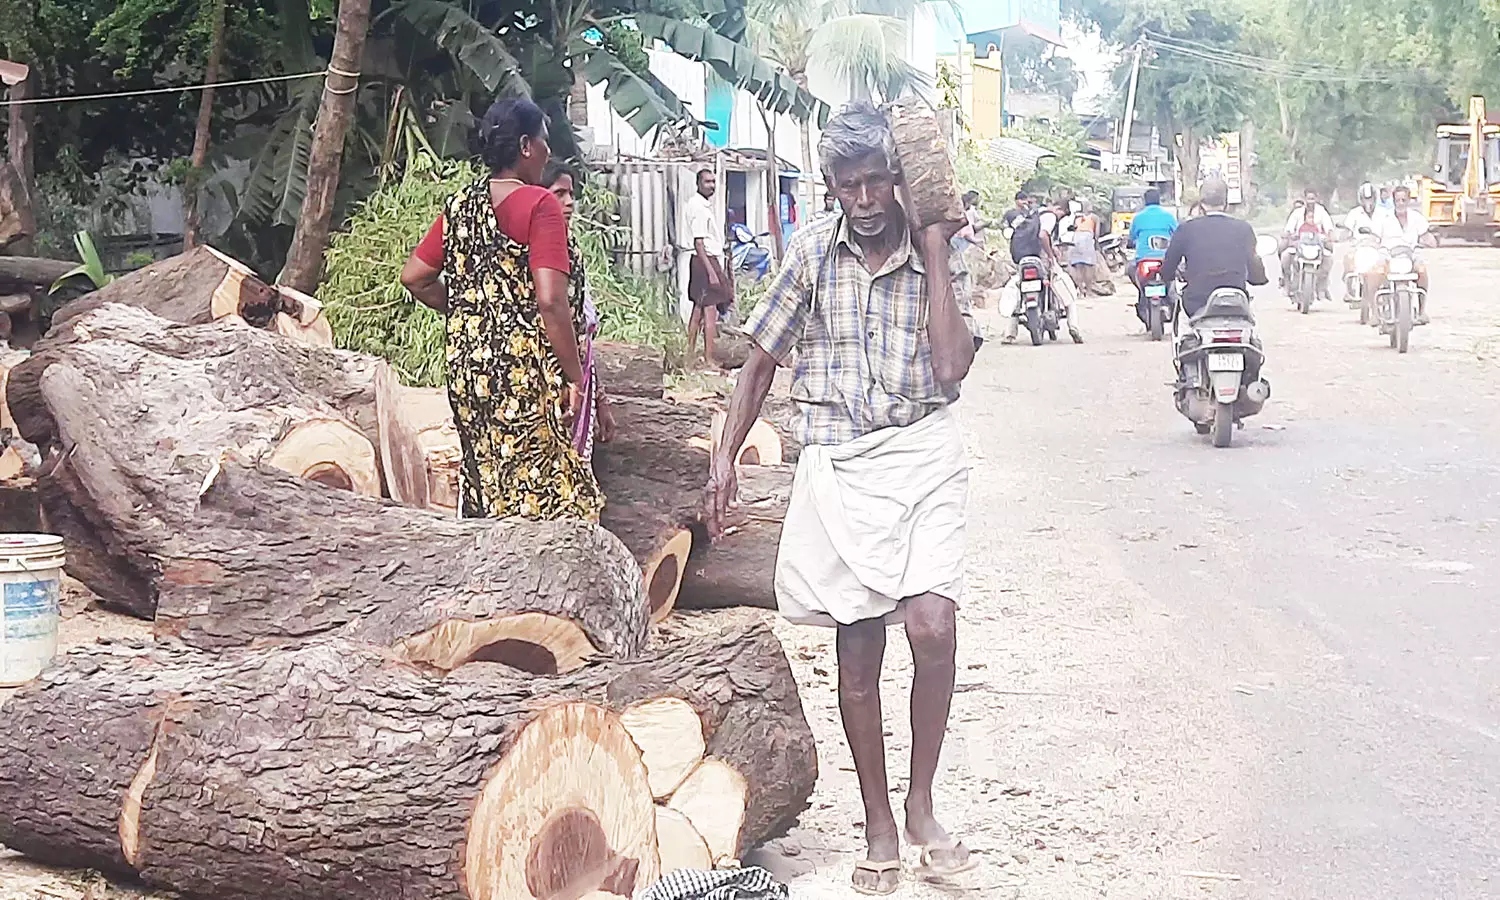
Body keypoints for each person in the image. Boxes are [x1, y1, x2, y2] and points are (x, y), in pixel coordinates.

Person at [703, 102, 977, 896]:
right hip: (841, 463)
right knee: (857, 652)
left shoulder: (936, 254)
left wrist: (932, 244)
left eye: (876, 183)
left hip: (923, 450)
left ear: (898, 182)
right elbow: (757, 363)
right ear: (831, 187)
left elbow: (954, 368)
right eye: (848, 185)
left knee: (933, 623)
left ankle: (922, 804)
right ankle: (880, 822)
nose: (863, 199)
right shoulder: (813, 253)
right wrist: (723, 461)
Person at [400, 97, 601, 521]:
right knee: (550, 501)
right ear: (526, 146)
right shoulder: (539, 205)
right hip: (523, 373)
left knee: (489, 487)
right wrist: (575, 376)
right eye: (544, 141)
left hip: (467, 371)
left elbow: (415, 276)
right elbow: (551, 299)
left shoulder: (459, 206)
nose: (548, 151)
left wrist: (472, 310)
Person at [543, 160, 617, 463]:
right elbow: (553, 314)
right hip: (548, 381)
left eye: (570, 194)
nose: (569, 203)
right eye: (559, 194)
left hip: (577, 381)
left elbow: (583, 335)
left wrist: (598, 397)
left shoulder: (570, 248)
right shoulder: (534, 251)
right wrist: (575, 381)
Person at [1160, 177, 1268, 319]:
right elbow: (1255, 268)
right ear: (1226, 202)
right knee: (1252, 333)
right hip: (1236, 301)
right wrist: (1258, 278)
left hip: (1197, 303)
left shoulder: (1185, 229)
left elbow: (1168, 268)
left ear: (1201, 204)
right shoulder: (1244, 229)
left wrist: (1167, 276)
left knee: (1184, 328)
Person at [1365, 185, 1433, 323]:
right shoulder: (1384, 217)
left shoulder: (1416, 218)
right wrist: (1371, 244)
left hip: (1410, 253)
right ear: (1393, 201)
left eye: (1404, 200)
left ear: (1408, 201)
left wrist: (1431, 242)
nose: (1401, 203)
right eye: (1398, 200)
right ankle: (1375, 313)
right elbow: (1374, 237)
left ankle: (1421, 311)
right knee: (1373, 274)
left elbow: (1427, 236)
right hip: (1387, 254)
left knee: (1422, 270)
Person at [685, 168, 732, 368]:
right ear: (698, 183)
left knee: (698, 310)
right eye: (707, 182)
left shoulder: (701, 205)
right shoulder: (698, 207)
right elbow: (699, 243)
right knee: (710, 312)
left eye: (713, 182)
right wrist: (712, 272)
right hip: (705, 260)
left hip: (703, 260)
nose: (711, 186)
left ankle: (689, 354)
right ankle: (709, 358)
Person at [1128, 188, 1178, 327]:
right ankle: (1170, 301)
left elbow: (1131, 238)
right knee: (1173, 281)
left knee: (1131, 270)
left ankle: (1142, 295)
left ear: (1145, 201)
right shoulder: (1168, 217)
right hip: (1165, 260)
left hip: (1143, 261)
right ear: (1159, 200)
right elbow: (1177, 234)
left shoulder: (1138, 218)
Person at [1280, 189, 1334, 300]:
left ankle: (1322, 287)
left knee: (1329, 258)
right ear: (1304, 199)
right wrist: (1289, 234)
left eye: (1313, 199)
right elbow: (1289, 228)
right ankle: (1287, 283)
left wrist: (1330, 236)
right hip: (1299, 244)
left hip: (1317, 244)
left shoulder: (1322, 212)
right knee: (1285, 256)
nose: (1310, 201)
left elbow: (1329, 228)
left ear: (1317, 199)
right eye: (1308, 199)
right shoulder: (1297, 213)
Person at [1068, 199, 1100, 296]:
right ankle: (1089, 291)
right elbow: (1096, 234)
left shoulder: (1076, 217)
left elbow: (1073, 228)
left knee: (1078, 266)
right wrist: (1097, 245)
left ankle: (1081, 291)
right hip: (1087, 240)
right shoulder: (1094, 217)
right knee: (1088, 266)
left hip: (1076, 239)